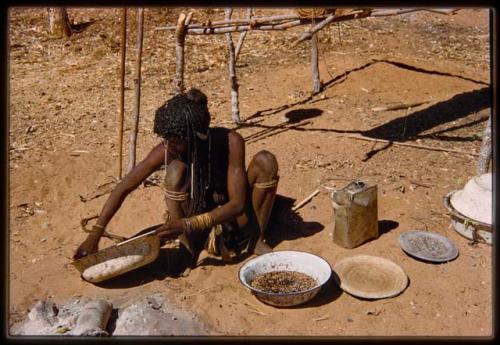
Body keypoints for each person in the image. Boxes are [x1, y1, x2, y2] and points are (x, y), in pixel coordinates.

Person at [74, 88, 283, 273]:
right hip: (193, 226)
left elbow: (237, 205)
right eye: (167, 139)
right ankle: (187, 248)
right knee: (175, 172)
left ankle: (256, 239)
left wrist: (186, 223)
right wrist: (94, 236)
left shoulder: (230, 142)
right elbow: (123, 187)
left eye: (175, 141)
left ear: (194, 135)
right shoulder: (169, 149)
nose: (169, 145)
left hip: (234, 220)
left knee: (266, 161)